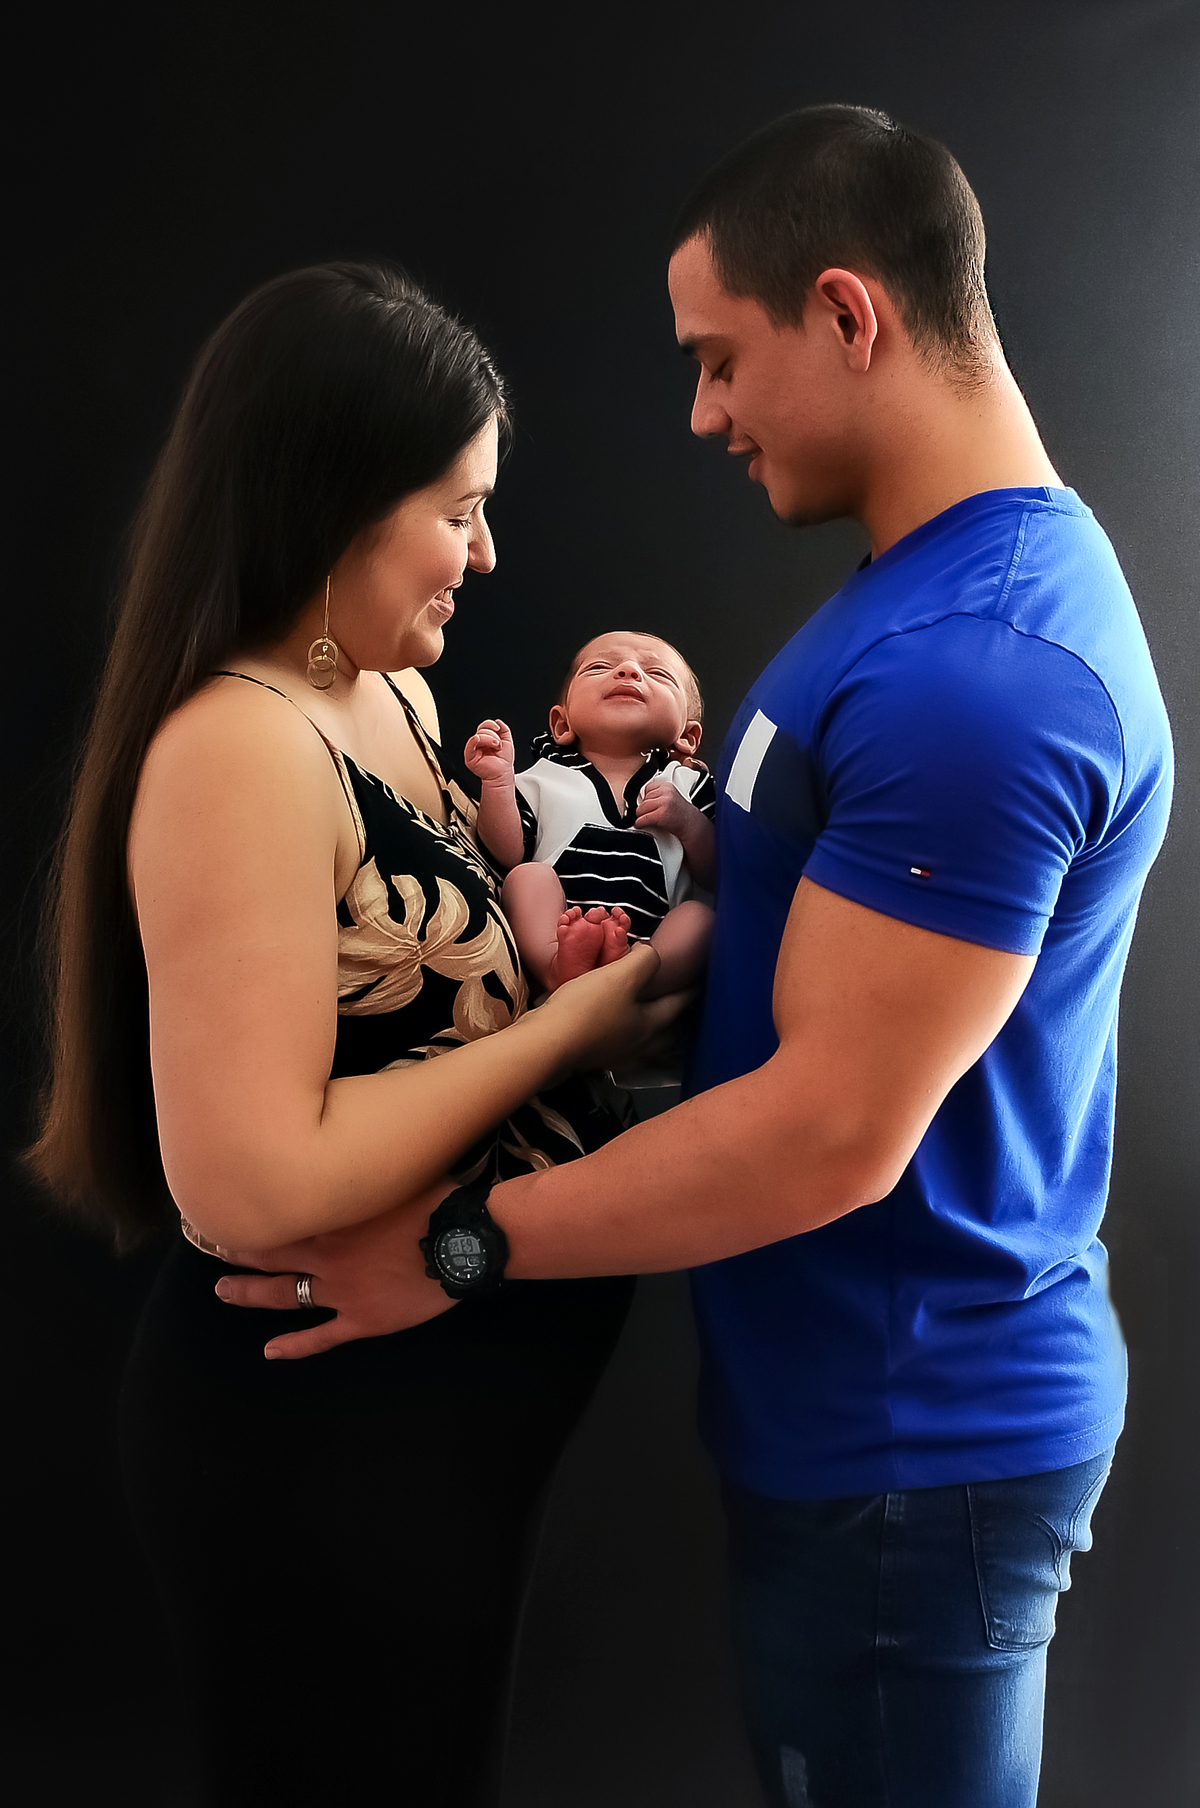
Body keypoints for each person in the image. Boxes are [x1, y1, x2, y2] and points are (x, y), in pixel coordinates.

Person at [215, 108, 1173, 1808]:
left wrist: (454, 1244)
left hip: (908, 1451)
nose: (703, 413)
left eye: (721, 360)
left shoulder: (981, 669)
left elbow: (830, 1131)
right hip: (847, 1427)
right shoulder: (915, 596)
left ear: (847, 313)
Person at [24, 260, 680, 1808]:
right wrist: (566, 1032)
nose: (487, 553)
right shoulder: (238, 749)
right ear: (335, 499)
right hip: (313, 1450)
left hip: (435, 1445)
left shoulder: (380, 694)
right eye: (459, 511)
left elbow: (416, 1019)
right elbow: (248, 1184)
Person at [465, 629, 716, 994]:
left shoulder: (689, 785)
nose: (628, 670)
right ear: (562, 724)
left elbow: (716, 873)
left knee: (699, 918)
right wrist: (498, 782)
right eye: (600, 667)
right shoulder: (542, 778)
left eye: (657, 673)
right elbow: (507, 852)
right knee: (526, 877)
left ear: (687, 737)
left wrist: (689, 822)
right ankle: (556, 965)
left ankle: (635, 984)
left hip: (649, 945)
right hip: (558, 926)